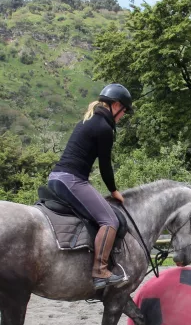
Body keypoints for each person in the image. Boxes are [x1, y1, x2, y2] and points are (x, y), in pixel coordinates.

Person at [48, 83, 133, 291]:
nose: (122, 116)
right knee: (110, 220)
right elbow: (105, 166)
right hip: (72, 180)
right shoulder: (104, 128)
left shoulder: (88, 119)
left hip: (57, 178)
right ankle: (100, 270)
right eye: (124, 112)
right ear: (116, 106)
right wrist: (114, 191)